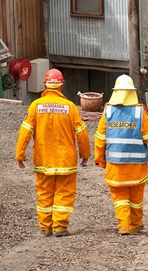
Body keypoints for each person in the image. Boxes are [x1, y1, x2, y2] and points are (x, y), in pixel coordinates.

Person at [15, 68, 91, 237]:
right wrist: (85, 155)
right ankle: (59, 227)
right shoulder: (70, 107)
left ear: (45, 85)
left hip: (43, 160)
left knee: (44, 195)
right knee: (64, 194)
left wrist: (20, 155)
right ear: (61, 86)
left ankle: (45, 227)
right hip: (66, 161)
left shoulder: (35, 106)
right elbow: (82, 132)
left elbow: (25, 131)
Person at [94, 75, 148, 235]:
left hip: (115, 166)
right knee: (136, 197)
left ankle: (124, 225)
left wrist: (100, 160)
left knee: (120, 197)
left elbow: (99, 138)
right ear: (132, 92)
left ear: (115, 92)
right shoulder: (139, 111)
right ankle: (136, 224)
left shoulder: (108, 111)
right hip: (136, 167)